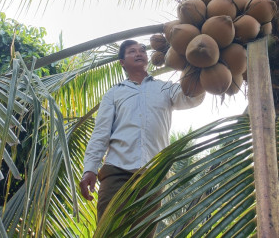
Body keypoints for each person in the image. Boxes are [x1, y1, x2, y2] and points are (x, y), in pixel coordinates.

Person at [79, 39, 204, 229]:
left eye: (142, 50)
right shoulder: (114, 93)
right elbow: (101, 134)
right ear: (122, 62)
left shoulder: (165, 88)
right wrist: (90, 169)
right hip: (116, 172)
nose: (139, 53)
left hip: (152, 173)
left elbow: (191, 97)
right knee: (109, 230)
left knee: (143, 232)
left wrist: (196, 62)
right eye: (132, 51)